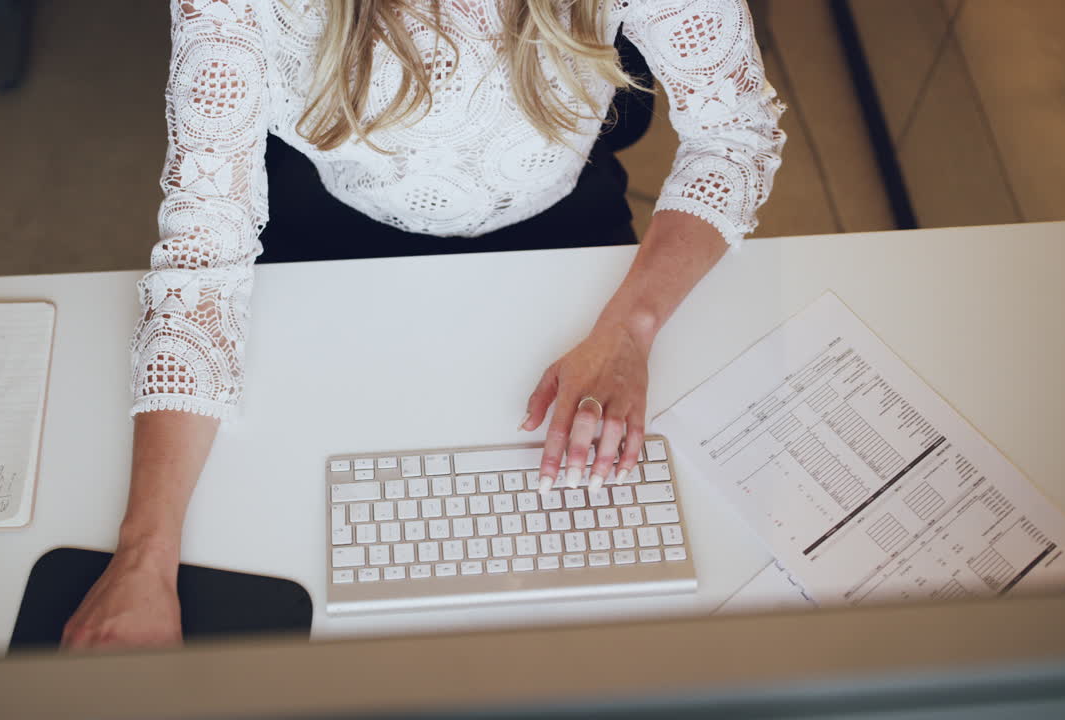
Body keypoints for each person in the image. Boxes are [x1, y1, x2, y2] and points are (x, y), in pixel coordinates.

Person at [62, 0, 786, 650]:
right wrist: (143, 557)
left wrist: (630, 330)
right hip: (327, 224)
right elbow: (204, 244)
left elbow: (734, 132)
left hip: (562, 227)